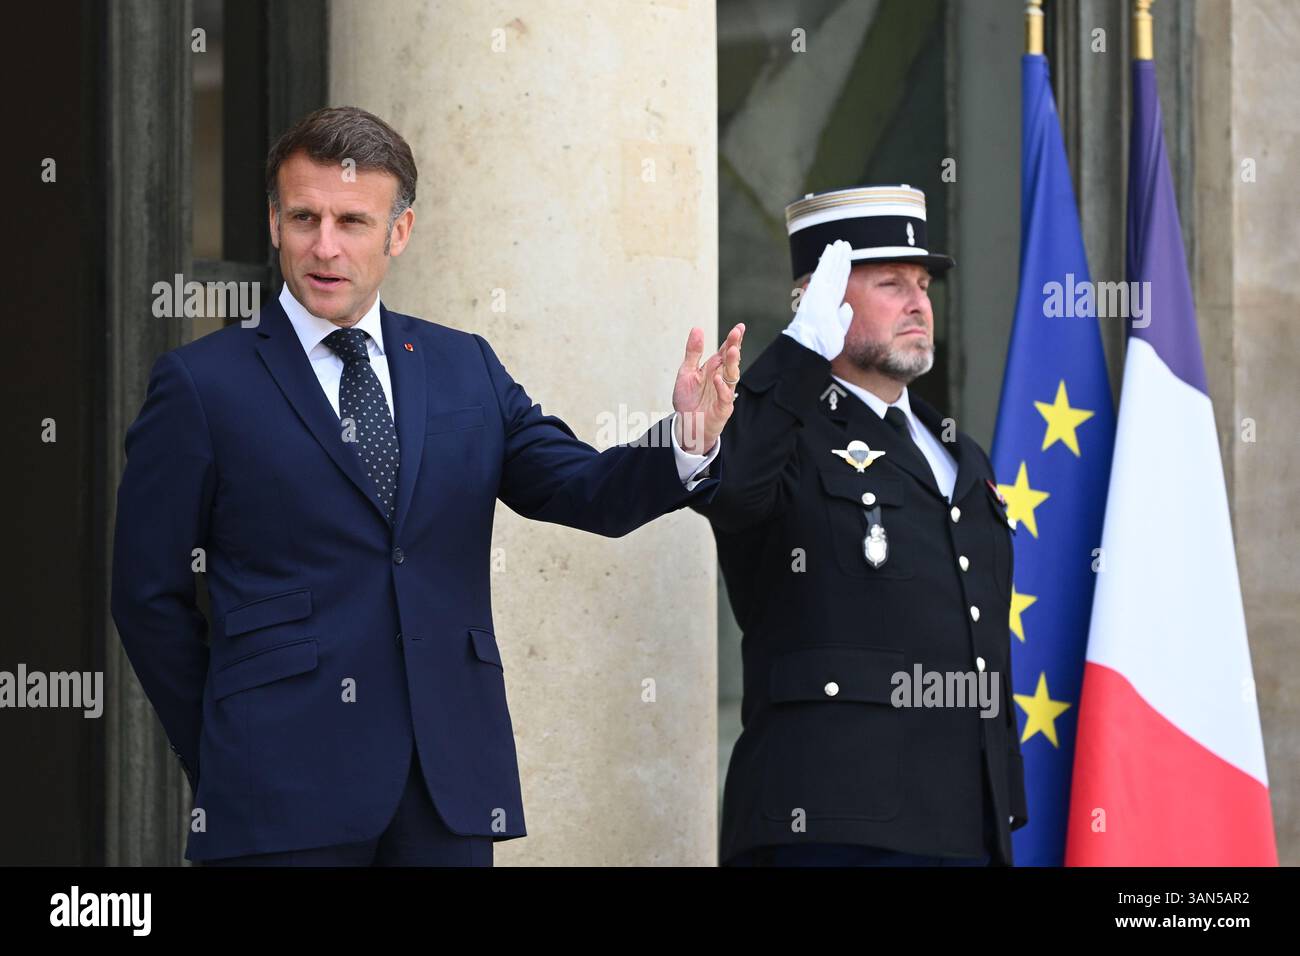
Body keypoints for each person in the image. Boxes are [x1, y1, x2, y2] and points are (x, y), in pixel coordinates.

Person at [110, 106, 745, 866]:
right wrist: (224, 751)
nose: (325, 246)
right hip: (276, 795)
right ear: (273, 223)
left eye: (352, 221)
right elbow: (146, 595)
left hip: (448, 791)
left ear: (399, 234)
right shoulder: (201, 384)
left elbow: (582, 489)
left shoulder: (463, 366)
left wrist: (685, 439)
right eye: (304, 217)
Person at [693, 185, 1027, 866]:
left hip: (966, 821)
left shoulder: (954, 448)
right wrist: (797, 353)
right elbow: (733, 487)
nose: (918, 304)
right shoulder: (783, 431)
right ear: (826, 300)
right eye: (890, 284)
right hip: (830, 821)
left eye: (923, 284)